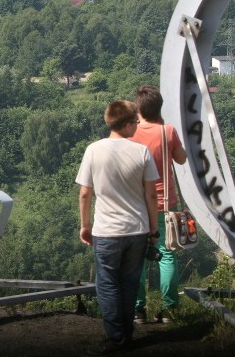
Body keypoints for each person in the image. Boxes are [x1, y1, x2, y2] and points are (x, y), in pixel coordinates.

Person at [76, 100, 159, 355]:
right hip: (137, 230)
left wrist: (85, 226)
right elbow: (152, 196)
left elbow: (85, 194)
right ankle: (128, 333)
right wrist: (153, 231)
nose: (137, 125)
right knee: (130, 282)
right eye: (135, 121)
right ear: (125, 123)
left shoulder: (93, 150)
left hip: (107, 231)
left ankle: (116, 337)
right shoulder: (141, 152)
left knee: (108, 284)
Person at [130, 85, 187, 325]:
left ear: (138, 110)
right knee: (166, 255)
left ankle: (137, 309)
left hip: (137, 204)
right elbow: (182, 159)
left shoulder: (130, 132)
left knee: (136, 258)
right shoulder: (168, 131)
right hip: (165, 205)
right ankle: (169, 310)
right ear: (159, 108)